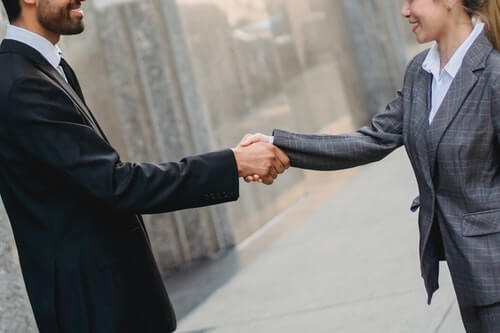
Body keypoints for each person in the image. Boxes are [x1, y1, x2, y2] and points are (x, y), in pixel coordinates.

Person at [0, 0, 290, 332]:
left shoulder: (39, 69)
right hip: (96, 311)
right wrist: (232, 164)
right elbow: (116, 184)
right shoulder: (22, 83)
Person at [242, 0, 500, 331]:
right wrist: (278, 144)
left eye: (411, 0)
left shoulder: (493, 72)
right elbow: (371, 139)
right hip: (468, 271)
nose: (405, 11)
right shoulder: (421, 73)